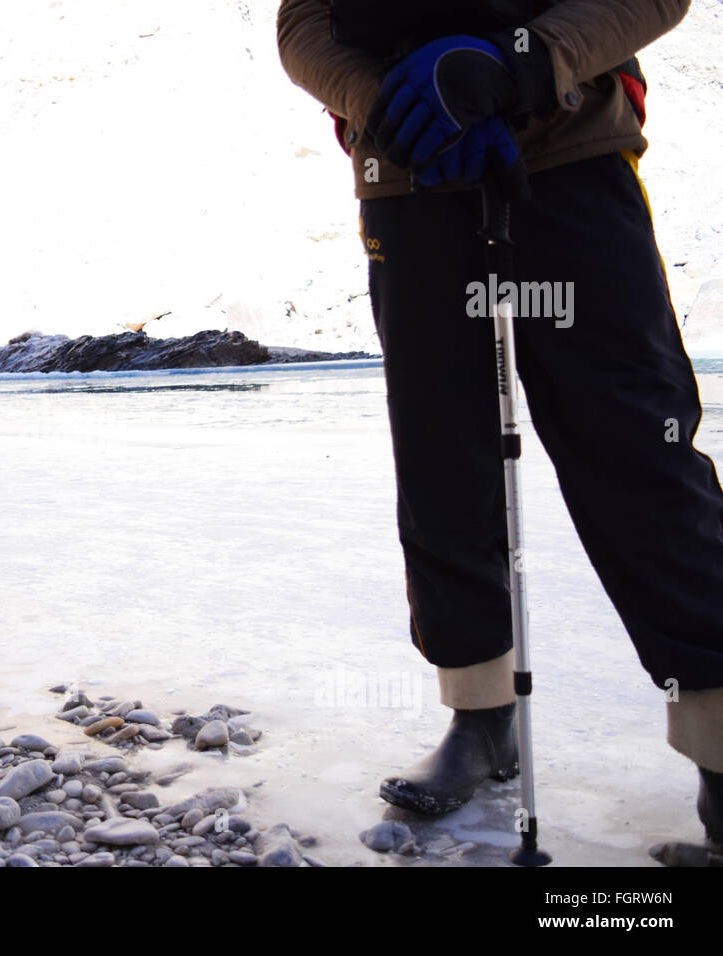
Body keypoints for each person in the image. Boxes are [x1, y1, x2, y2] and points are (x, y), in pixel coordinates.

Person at [275, 0, 723, 853]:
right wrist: (395, 100)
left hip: (571, 159)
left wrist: (521, 63)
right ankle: (480, 719)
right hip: (409, 176)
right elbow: (304, 24)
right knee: (445, 465)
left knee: (640, 456)